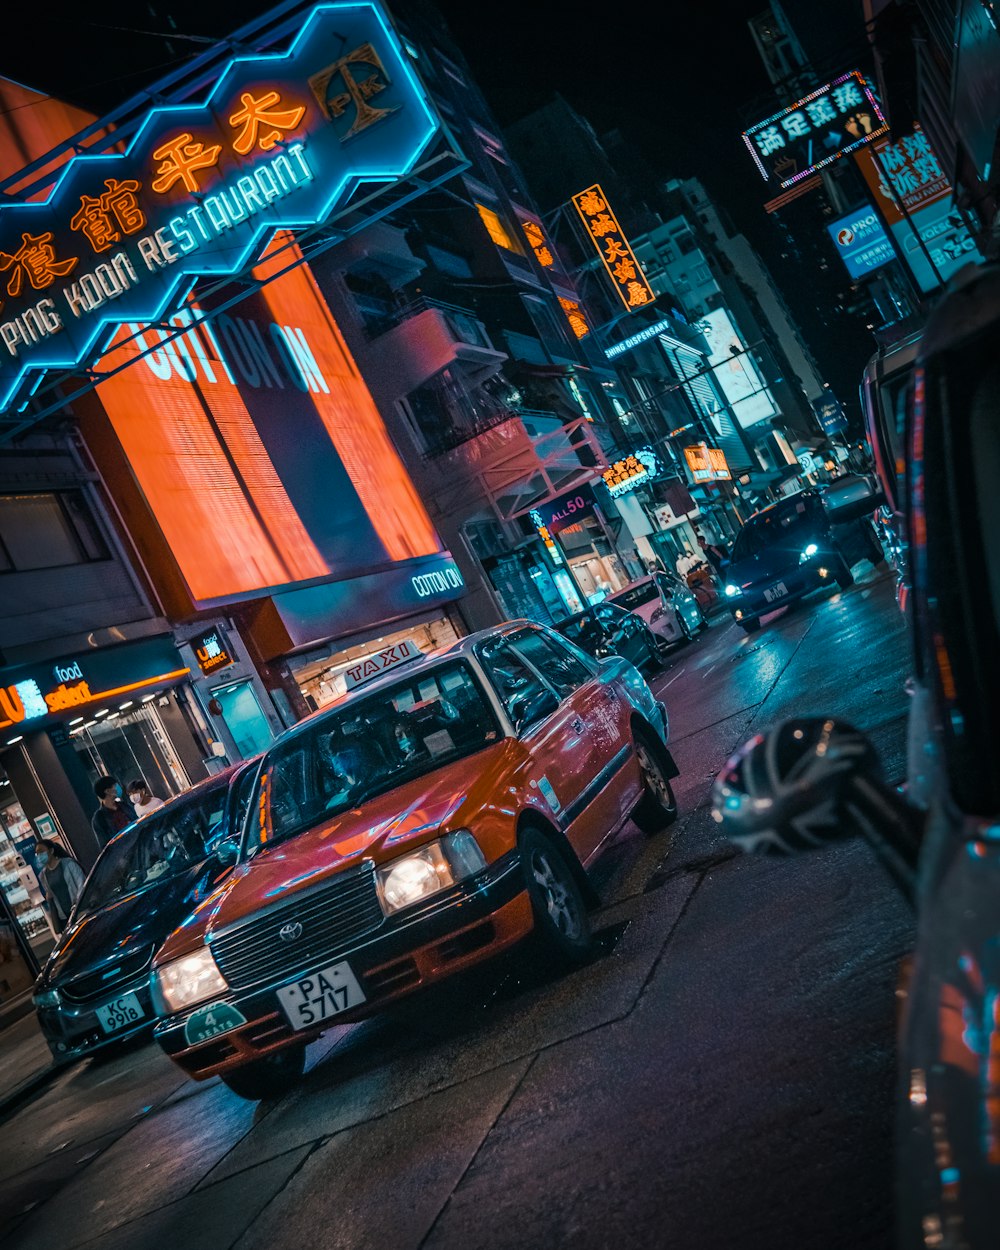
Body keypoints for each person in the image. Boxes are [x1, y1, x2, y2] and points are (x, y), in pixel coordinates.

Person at [34, 838, 85, 931]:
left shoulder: (68, 864)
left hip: (80, 911)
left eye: (41, 852)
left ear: (51, 851)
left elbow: (82, 885)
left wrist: (78, 905)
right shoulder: (43, 875)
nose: (39, 856)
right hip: (64, 918)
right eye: (37, 853)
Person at [91, 776, 133, 846]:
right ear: (107, 791)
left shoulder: (124, 806)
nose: (118, 788)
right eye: (115, 786)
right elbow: (105, 845)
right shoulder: (99, 818)